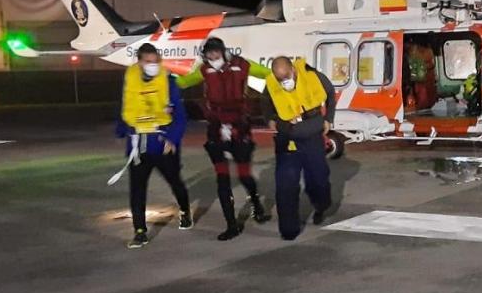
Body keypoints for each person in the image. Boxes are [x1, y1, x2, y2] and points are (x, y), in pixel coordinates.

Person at [178, 37, 272, 240]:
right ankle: (231, 224)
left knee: (244, 174)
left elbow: (268, 74)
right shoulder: (203, 70)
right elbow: (184, 82)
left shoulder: (242, 64)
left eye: (216, 51)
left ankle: (256, 203)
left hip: (240, 126)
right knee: (222, 178)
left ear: (223, 50)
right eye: (210, 53)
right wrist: (163, 82)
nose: (213, 56)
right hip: (216, 128)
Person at [118, 43, 192, 249]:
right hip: (139, 145)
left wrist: (173, 139)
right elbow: (126, 107)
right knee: (137, 189)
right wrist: (123, 129)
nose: (152, 65)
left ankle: (185, 210)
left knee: (175, 181)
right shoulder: (130, 81)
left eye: (155, 61)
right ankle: (139, 231)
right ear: (140, 62)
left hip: (162, 143)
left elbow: (180, 115)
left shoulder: (169, 82)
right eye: (147, 62)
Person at [265, 55, 335, 241]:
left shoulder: (313, 76)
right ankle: (289, 229)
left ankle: (321, 205)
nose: (283, 82)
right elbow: (266, 107)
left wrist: (329, 119)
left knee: (318, 180)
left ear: (293, 70)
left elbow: (330, 93)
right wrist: (271, 119)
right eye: (279, 79)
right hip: (287, 140)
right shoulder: (271, 85)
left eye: (286, 77)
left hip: (311, 136)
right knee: (285, 186)